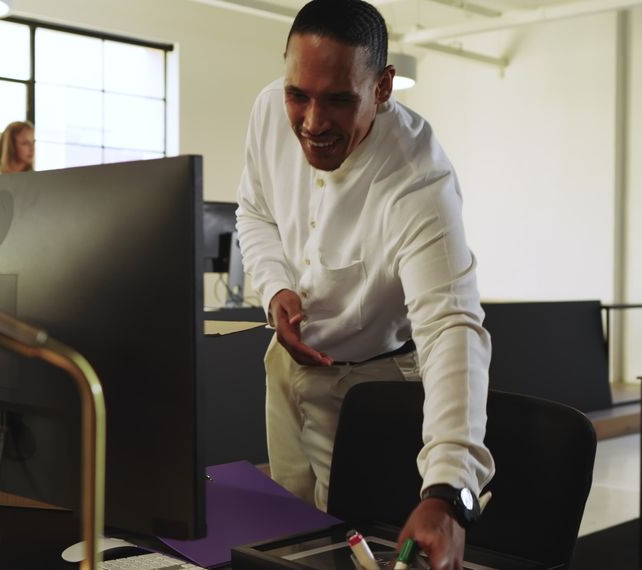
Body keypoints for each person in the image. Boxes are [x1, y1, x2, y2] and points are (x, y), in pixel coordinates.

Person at [234, 1, 494, 567]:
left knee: (356, 550)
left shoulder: (418, 177)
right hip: (286, 370)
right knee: (287, 543)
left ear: (382, 88)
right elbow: (254, 213)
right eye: (298, 94)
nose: (311, 122)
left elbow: (451, 326)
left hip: (372, 387)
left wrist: (448, 491)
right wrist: (276, 288)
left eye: (338, 99)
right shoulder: (265, 111)